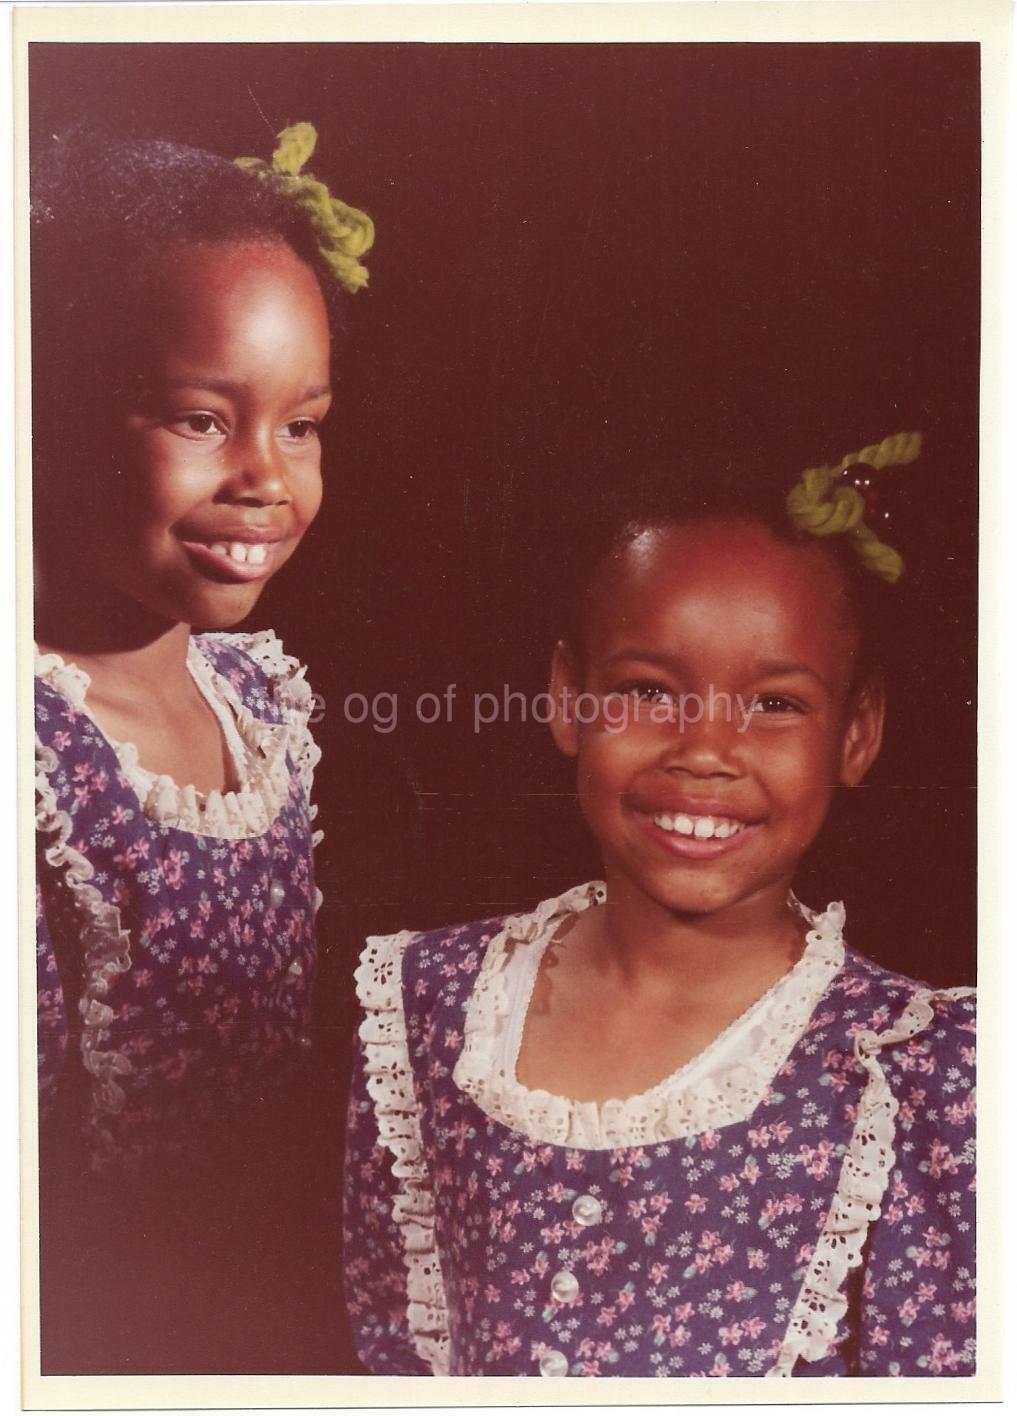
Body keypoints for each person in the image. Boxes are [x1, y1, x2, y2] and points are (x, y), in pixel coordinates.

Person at [342, 434, 976, 1378]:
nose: (705, 750)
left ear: (858, 731)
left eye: (774, 705)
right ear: (567, 697)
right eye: (647, 691)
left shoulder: (922, 1074)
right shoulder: (425, 1009)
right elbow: (382, 1360)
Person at [32, 121, 372, 1372]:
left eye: (304, 425)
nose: (264, 479)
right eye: (198, 419)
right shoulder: (41, 764)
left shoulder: (255, 695)